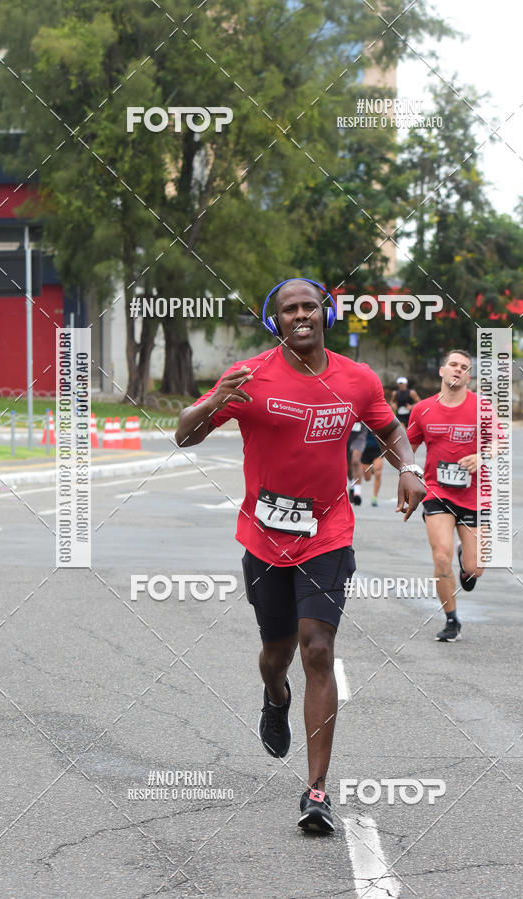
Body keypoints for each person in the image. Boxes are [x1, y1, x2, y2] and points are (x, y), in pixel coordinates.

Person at [175, 278, 425, 833]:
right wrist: (216, 401)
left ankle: (316, 791)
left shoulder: (357, 379)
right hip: (265, 539)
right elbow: (182, 436)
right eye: (289, 309)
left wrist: (408, 468)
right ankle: (274, 693)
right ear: (276, 321)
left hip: (328, 533)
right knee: (276, 653)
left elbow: (390, 430)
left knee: (318, 649)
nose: (301, 315)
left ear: (325, 313)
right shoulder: (248, 375)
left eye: (310, 306)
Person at [407, 349, 502, 643]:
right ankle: (451, 619)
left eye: (464, 367)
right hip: (437, 493)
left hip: (474, 496)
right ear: (442, 370)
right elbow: (405, 447)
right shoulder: (422, 409)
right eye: (453, 365)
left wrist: (482, 455)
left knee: (475, 569)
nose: (457, 370)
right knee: (440, 556)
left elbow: (499, 441)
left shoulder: (482, 407)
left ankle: (466, 561)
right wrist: (404, 476)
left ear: (469, 375)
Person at [361, 429, 385, 506]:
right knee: (367, 478)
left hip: (378, 449)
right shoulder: (362, 420)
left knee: (378, 472)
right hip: (364, 449)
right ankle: (372, 469)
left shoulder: (380, 418)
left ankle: (374, 497)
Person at [347, 422, 368, 505]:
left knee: (355, 461)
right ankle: (352, 483)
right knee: (347, 464)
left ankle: (357, 493)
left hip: (360, 432)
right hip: (345, 431)